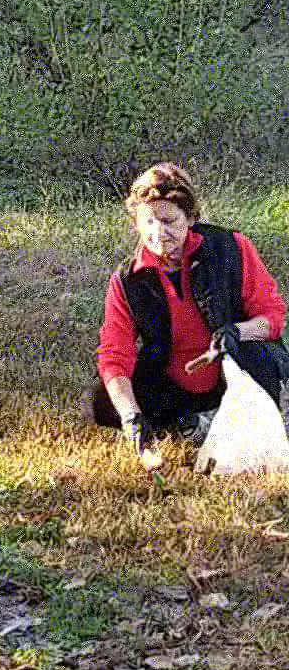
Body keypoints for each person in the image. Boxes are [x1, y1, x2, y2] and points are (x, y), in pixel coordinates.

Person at [92, 162, 287, 455]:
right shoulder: (126, 280)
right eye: (148, 222)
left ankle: (219, 421)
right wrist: (130, 416)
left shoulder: (231, 247)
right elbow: (114, 356)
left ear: (191, 217)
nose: (158, 233)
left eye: (168, 221)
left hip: (234, 369)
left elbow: (272, 318)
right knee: (106, 399)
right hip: (175, 384)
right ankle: (189, 423)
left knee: (256, 353)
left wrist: (236, 331)